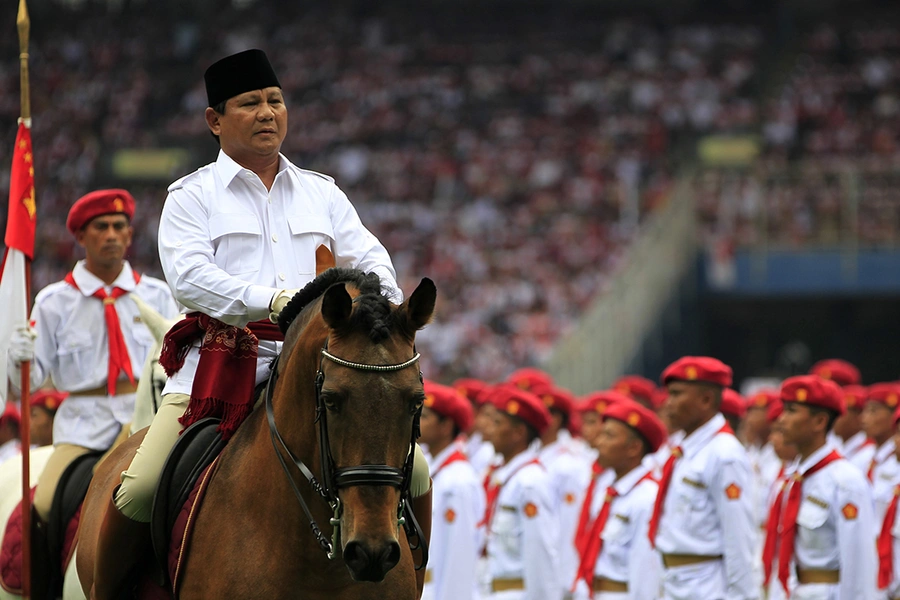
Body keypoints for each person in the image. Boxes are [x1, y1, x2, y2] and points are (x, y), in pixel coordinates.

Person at [91, 49, 431, 599]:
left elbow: (372, 258)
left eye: (275, 101)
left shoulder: (323, 192)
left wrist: (382, 306)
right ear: (215, 120)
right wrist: (273, 302)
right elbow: (190, 279)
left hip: (324, 364)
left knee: (415, 472)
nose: (268, 112)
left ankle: (410, 581)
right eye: (250, 103)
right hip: (219, 369)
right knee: (140, 486)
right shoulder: (191, 197)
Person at [6, 189, 178, 526]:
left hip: (147, 421)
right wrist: (18, 358)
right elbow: (28, 382)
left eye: (119, 226)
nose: (112, 235)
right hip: (82, 429)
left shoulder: (158, 295)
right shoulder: (53, 302)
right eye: (101, 227)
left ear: (130, 234)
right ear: (81, 236)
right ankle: (45, 581)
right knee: (44, 506)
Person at [648, 356, 757, 600]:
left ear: (706, 399)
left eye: (677, 394)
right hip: (674, 582)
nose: (668, 404)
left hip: (706, 587)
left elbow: (738, 538)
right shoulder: (683, 450)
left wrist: (742, 596)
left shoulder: (723, 453)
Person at [763, 375, 876, 599]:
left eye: (792, 411)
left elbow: (859, 565)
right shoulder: (793, 479)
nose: (781, 420)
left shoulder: (845, 481)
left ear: (819, 422)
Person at [571, 400, 665, 600]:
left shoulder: (646, 497)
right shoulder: (609, 491)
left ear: (633, 448)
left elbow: (645, 576)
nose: (598, 442)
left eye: (609, 436)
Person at [483, 386, 561, 600]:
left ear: (519, 433)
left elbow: (540, 553)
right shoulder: (507, 477)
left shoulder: (530, 482)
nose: (488, 429)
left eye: (497, 423)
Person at [419, 380, 485, 600]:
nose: (417, 421)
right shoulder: (435, 469)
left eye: (425, 416)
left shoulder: (458, 481)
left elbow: (459, 556)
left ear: (446, 426)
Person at [861, 383, 900, 523]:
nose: (864, 419)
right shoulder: (863, 456)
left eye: (873, 411)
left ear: (893, 416)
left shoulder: (896, 460)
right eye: (864, 411)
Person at [829, 384, 873, 473]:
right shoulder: (834, 445)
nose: (834, 419)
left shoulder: (869, 452)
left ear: (858, 417)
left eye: (840, 413)